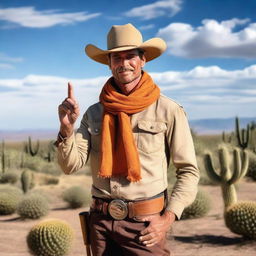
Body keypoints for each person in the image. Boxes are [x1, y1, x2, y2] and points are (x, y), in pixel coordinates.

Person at [56, 23, 199, 256]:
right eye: (116, 57)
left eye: (130, 56)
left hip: (145, 225)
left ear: (143, 60)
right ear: (109, 63)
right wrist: (67, 129)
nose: (124, 63)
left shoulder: (168, 110)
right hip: (101, 223)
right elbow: (69, 166)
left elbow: (189, 171)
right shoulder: (94, 114)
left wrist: (167, 218)